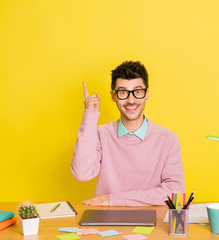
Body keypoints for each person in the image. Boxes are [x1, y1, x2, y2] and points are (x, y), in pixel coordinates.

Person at [71, 61, 185, 206]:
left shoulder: (167, 139)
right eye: (123, 93)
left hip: (151, 218)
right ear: (113, 96)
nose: (131, 100)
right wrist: (89, 116)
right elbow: (81, 173)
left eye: (137, 92)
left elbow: (176, 191)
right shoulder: (101, 134)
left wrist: (115, 199)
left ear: (147, 94)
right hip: (106, 218)